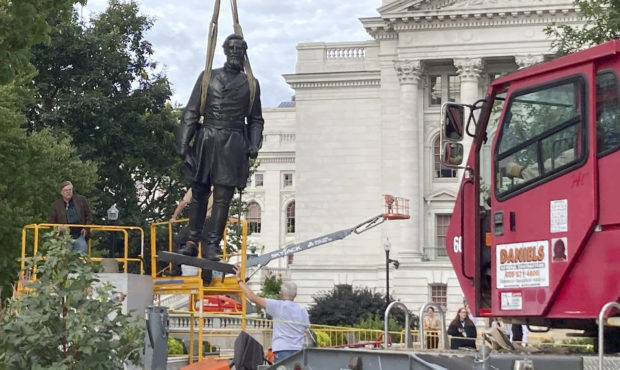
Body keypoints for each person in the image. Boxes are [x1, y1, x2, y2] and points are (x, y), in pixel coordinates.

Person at [176, 33, 264, 262]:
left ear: (244, 53)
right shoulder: (208, 77)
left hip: (233, 142)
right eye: (232, 49)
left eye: (239, 49)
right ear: (225, 51)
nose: (235, 53)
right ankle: (192, 241)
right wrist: (184, 146)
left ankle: (212, 244)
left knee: (223, 197)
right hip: (207, 139)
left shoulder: (251, 84)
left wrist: (254, 143)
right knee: (199, 192)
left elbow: (255, 119)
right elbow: (192, 112)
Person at [233, 266, 309, 363]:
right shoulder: (303, 310)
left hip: (283, 349)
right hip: (299, 350)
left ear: (282, 293)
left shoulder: (278, 306)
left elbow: (252, 297)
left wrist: (239, 280)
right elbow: (306, 331)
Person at [48, 181, 92, 255]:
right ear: (61, 192)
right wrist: (60, 228)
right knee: (65, 259)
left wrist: (86, 228)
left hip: (79, 235)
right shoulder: (56, 205)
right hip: (64, 237)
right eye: (66, 190)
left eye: (70, 190)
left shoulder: (81, 200)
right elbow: (50, 222)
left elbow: (88, 215)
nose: (68, 192)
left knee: (82, 259)